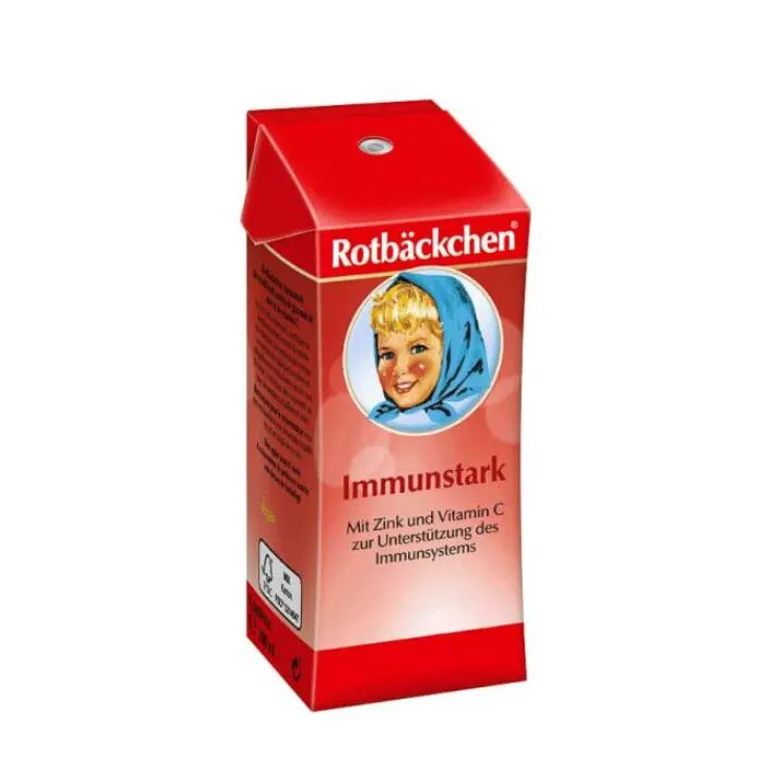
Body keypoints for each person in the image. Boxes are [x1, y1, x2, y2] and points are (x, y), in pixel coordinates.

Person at [369, 271, 490, 432]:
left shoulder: (482, 410)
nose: (400, 368)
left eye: (418, 349)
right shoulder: (378, 420)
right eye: (387, 355)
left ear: (456, 350)